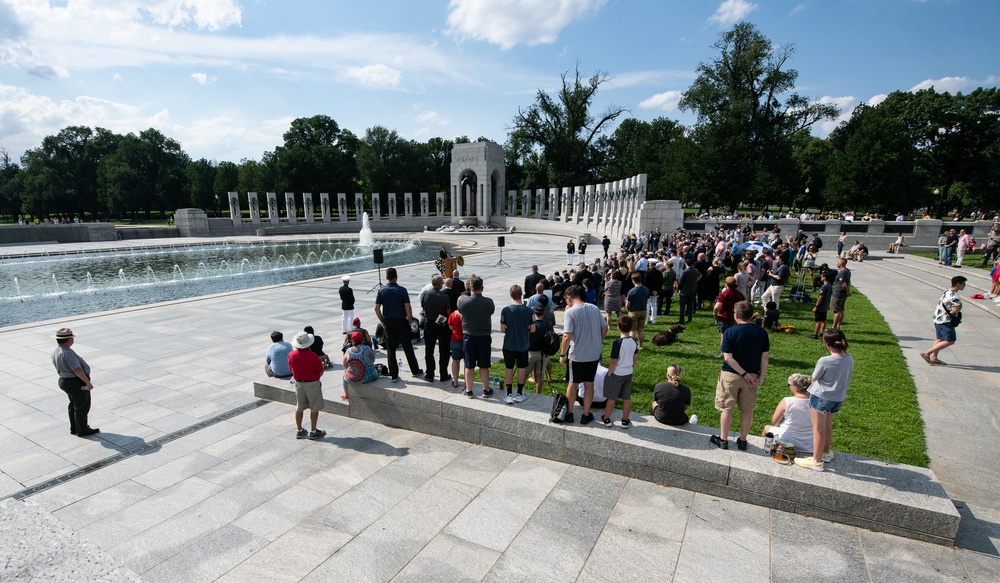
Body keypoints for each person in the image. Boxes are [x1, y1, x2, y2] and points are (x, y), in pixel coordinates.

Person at [710, 301, 769, 451]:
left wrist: (743, 373)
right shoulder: (762, 332)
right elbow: (765, 358)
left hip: (731, 375)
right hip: (753, 376)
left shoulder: (730, 332)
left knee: (727, 409)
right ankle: (742, 440)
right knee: (747, 410)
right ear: (751, 315)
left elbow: (728, 358)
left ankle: (723, 439)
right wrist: (760, 377)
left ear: (736, 315)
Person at [795, 329, 854, 471]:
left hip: (821, 397)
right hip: (837, 398)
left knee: (818, 428)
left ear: (827, 344)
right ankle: (826, 453)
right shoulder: (849, 358)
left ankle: (816, 460)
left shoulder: (825, 360)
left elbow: (815, 378)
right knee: (828, 425)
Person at [559, 285, 610, 424]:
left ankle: (569, 413)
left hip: (577, 355)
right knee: (589, 384)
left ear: (568, 298)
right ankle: (586, 414)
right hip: (593, 354)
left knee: (573, 384)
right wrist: (598, 341)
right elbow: (605, 328)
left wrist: (562, 354)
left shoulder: (570, 312)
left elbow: (567, 336)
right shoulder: (594, 308)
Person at [374, 267, 423, 382]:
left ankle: (394, 375)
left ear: (386, 278)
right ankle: (415, 371)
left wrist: (382, 320)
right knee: (407, 347)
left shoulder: (381, 291)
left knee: (391, 350)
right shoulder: (402, 290)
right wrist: (410, 320)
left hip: (388, 322)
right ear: (396, 277)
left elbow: (376, 308)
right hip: (401, 321)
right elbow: (407, 306)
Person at [51, 328, 99, 436]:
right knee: (82, 406)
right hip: (75, 382)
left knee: (73, 404)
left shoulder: (56, 351)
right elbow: (77, 370)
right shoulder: (67, 353)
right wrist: (87, 382)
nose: (73, 339)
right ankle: (82, 429)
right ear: (68, 340)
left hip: (65, 380)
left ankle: (75, 428)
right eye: (72, 338)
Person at [458, 274, 495, 397]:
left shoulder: (463, 302)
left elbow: (461, 312)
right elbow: (491, 312)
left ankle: (469, 390)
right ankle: (486, 389)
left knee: (469, 365)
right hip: (484, 337)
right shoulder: (489, 302)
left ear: (470, 288)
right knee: (484, 365)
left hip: (469, 337)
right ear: (482, 288)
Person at [920, 275, 967, 366]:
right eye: (964, 284)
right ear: (958, 284)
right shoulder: (954, 297)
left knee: (940, 339)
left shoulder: (947, 292)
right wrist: (959, 307)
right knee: (950, 340)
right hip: (946, 321)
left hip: (938, 318)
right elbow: (955, 310)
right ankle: (927, 353)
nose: (964, 286)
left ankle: (934, 358)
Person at [288, 331, 326, 440]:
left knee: (299, 406)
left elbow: (291, 369)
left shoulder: (291, 355)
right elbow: (320, 370)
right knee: (314, 407)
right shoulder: (312, 355)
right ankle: (313, 431)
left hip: (299, 383)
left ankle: (299, 430)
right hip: (312, 383)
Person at [500, 284, 535, 403]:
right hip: (523, 344)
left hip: (509, 344)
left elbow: (503, 329)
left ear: (511, 295)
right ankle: (519, 393)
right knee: (521, 369)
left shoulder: (506, 310)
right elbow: (533, 329)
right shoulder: (529, 310)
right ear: (521, 294)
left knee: (508, 368)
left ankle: (509, 394)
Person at [601, 315, 638, 428]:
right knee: (626, 397)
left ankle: (606, 418)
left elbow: (613, 361)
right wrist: (631, 365)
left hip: (617, 373)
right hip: (628, 372)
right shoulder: (633, 341)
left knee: (612, 397)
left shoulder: (617, 343)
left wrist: (609, 373)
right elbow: (635, 356)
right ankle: (625, 420)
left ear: (618, 328)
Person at [763, 373, 813, 453]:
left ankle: (767, 448)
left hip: (786, 440)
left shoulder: (787, 401)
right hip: (809, 443)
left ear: (795, 388)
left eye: (789, 385)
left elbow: (775, 421)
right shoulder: (816, 403)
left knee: (767, 428)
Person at [421, 274, 452, 383]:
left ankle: (430, 374)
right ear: (439, 284)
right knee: (444, 350)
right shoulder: (444, 296)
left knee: (429, 350)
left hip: (429, 324)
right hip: (442, 325)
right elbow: (448, 312)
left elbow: (423, 306)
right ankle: (443, 374)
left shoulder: (426, 294)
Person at [713, 276, 744, 356]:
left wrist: (715, 315)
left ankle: (723, 353)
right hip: (735, 318)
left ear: (726, 284)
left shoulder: (724, 294)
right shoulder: (739, 294)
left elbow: (717, 307)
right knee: (733, 336)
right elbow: (744, 305)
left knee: (723, 336)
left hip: (724, 317)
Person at [527, 306, 551, 394]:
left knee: (524, 374)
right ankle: (538, 394)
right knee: (540, 376)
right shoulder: (547, 324)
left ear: (534, 313)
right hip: (543, 354)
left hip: (530, 352)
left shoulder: (531, 324)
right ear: (543, 314)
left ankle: (519, 392)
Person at [624, 272, 649, 350]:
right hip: (643, 310)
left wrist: (627, 309)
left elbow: (627, 304)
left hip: (633, 311)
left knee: (632, 330)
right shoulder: (646, 289)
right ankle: (640, 345)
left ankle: (633, 346)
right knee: (641, 329)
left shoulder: (632, 291)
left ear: (633, 281)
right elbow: (647, 300)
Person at [677, 257, 701, 324]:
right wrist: (696, 281)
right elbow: (700, 275)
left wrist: (679, 288)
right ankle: (689, 319)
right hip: (692, 289)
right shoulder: (695, 270)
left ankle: (681, 320)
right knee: (690, 306)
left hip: (684, 291)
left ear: (686, 263)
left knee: (682, 307)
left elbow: (680, 282)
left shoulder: (685, 272)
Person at [810, 270, 833, 339]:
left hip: (821, 307)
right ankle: (822, 332)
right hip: (825, 306)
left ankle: (815, 334)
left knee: (818, 321)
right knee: (823, 320)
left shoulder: (824, 287)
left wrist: (816, 306)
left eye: (822, 276)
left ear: (824, 277)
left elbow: (821, 297)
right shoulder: (830, 286)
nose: (820, 277)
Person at [831, 258, 851, 330]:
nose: (836, 263)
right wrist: (848, 291)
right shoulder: (847, 271)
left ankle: (834, 327)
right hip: (843, 294)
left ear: (841, 263)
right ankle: (838, 326)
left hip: (838, 293)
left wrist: (847, 292)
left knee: (837, 311)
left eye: (838, 262)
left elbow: (844, 284)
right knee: (841, 310)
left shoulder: (842, 272)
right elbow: (849, 282)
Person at [447, 309, 464, 388]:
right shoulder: (469, 314)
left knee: (455, 361)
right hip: (466, 340)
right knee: (467, 363)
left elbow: (451, 327)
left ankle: (456, 382)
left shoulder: (453, 315)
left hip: (456, 339)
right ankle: (467, 384)